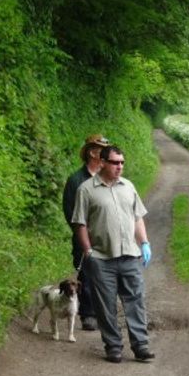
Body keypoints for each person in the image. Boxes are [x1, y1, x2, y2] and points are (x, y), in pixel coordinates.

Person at [71, 145, 155, 364]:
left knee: (135, 301)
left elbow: (137, 217)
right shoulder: (86, 189)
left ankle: (141, 346)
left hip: (130, 255)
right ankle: (113, 346)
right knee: (105, 304)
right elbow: (79, 224)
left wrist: (144, 242)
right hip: (102, 257)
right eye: (115, 162)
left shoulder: (128, 187)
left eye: (122, 163)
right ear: (102, 162)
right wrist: (88, 252)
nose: (119, 167)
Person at [62, 134, 110, 331]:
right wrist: (83, 234)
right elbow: (71, 212)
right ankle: (88, 314)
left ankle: (104, 312)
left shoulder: (106, 178)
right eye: (102, 151)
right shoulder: (76, 181)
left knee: (106, 274)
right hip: (85, 237)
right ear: (92, 153)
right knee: (88, 274)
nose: (106, 156)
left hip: (105, 236)